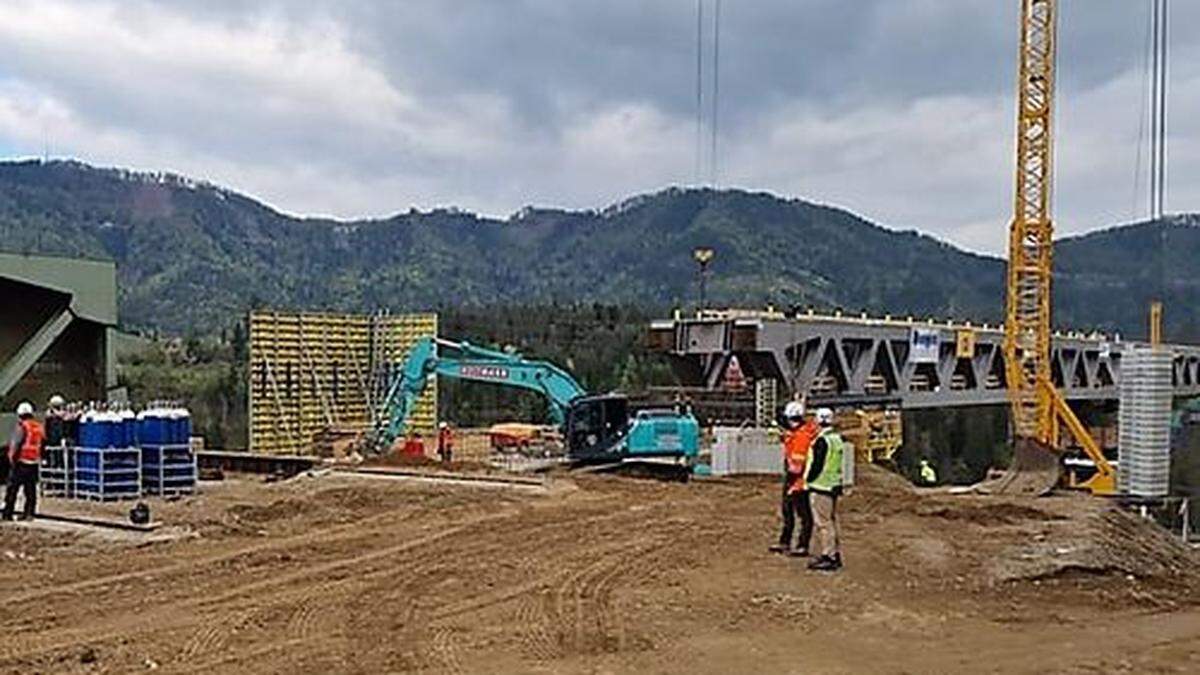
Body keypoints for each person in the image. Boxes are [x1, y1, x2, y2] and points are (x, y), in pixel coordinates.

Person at [769, 400, 818, 556]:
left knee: (804, 514)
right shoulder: (798, 433)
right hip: (794, 476)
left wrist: (792, 481)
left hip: (799, 479)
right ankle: (785, 542)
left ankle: (802, 545)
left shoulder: (802, 435)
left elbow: (798, 462)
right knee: (787, 511)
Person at [805, 407, 845, 572]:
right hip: (833, 484)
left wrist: (808, 479)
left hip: (821, 485)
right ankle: (833, 554)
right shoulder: (836, 438)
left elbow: (817, 464)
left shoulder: (822, 440)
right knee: (830, 522)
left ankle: (829, 556)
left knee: (823, 523)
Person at [4, 401, 45, 521]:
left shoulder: (22, 426)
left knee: (12, 489)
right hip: (33, 462)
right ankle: (29, 513)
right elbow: (42, 444)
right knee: (30, 490)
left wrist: (11, 458)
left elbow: (16, 443)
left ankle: (8, 513)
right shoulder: (38, 427)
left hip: (21, 462)